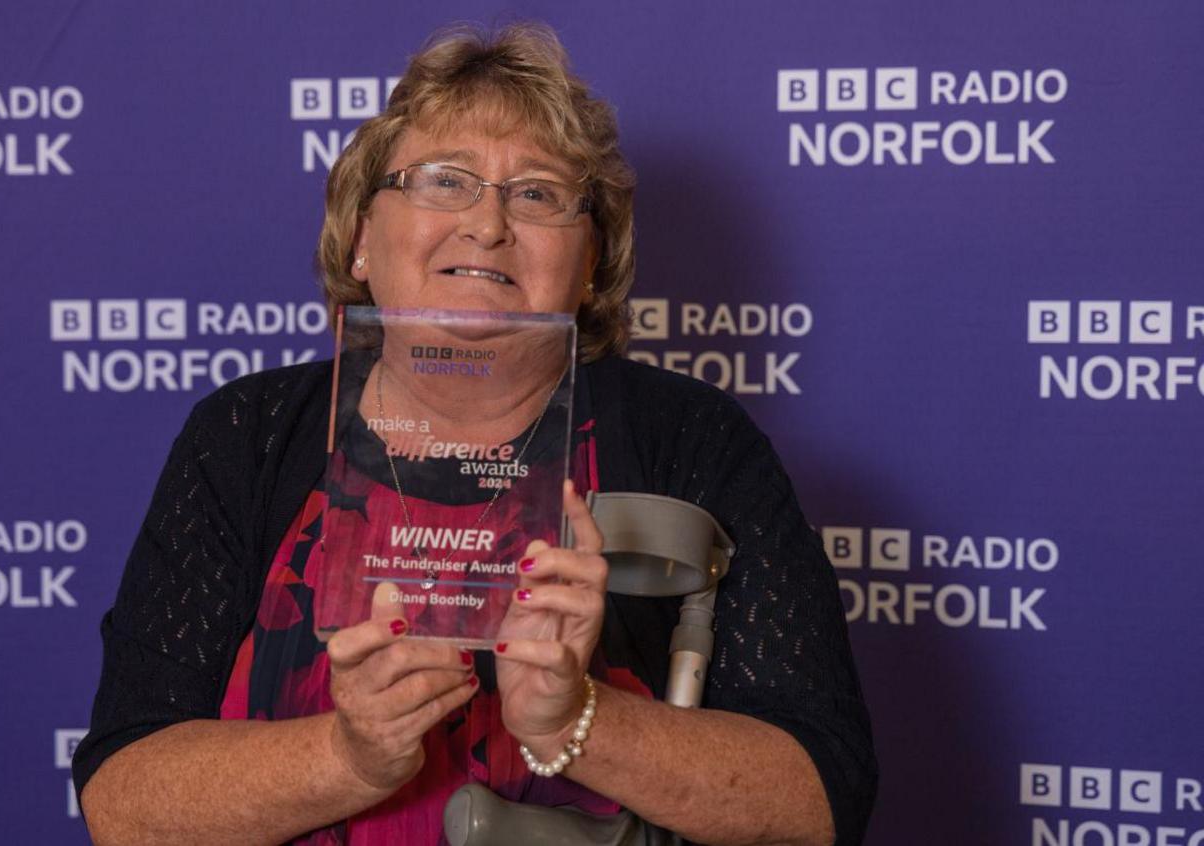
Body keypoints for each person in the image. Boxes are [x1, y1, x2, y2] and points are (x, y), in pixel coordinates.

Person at [74, 22, 876, 846]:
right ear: (359, 240)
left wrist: (579, 721)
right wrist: (347, 757)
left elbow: (816, 799)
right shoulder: (248, 436)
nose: (487, 224)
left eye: (536, 193)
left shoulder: (691, 439)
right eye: (442, 181)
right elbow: (125, 802)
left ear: (592, 259)